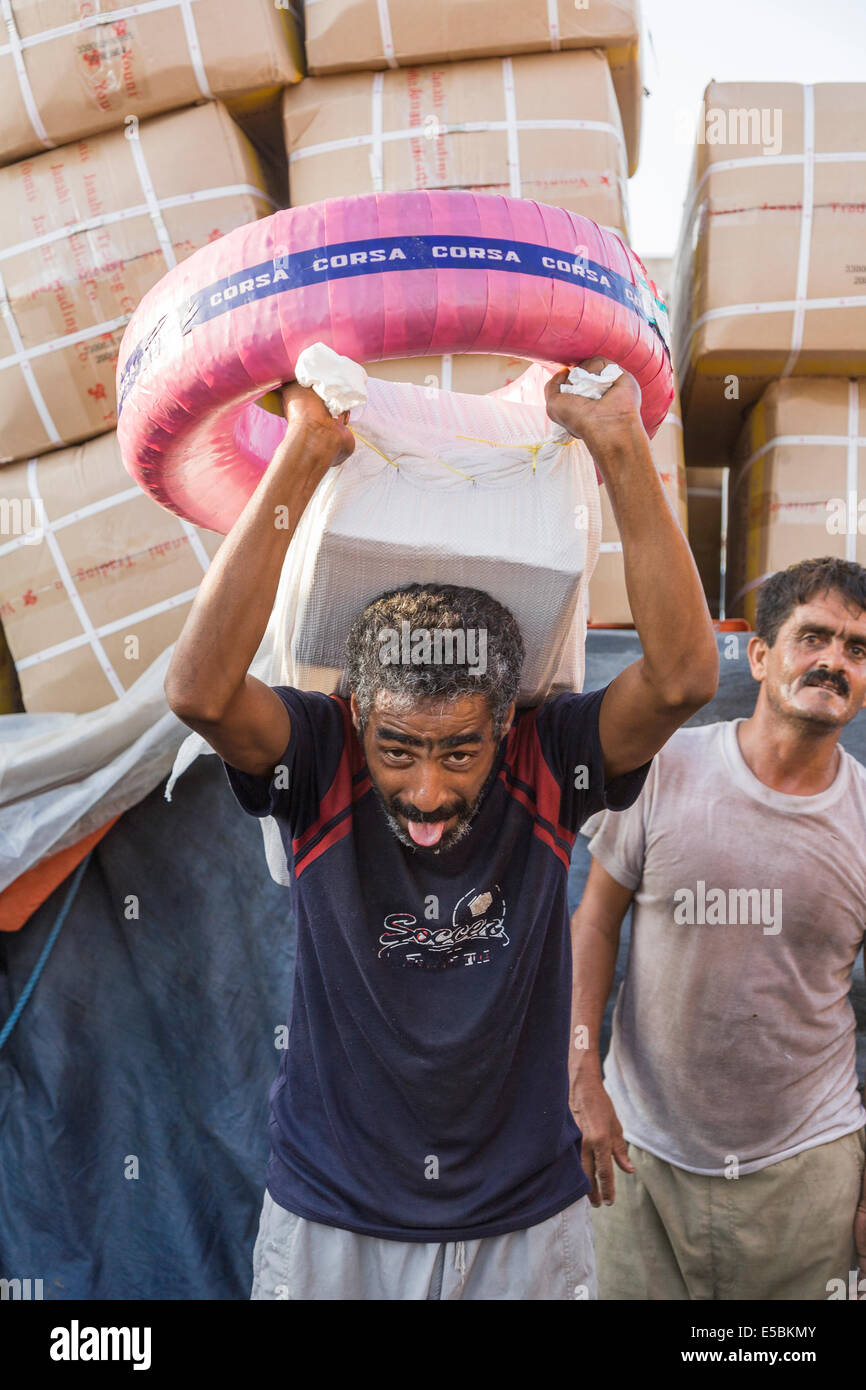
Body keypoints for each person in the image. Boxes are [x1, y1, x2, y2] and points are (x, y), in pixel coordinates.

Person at [163, 358, 718, 1300]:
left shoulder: (550, 760)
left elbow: (682, 681)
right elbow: (199, 691)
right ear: (354, 717)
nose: (425, 792)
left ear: (506, 726)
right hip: (335, 1211)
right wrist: (304, 455)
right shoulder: (319, 757)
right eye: (398, 750)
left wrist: (620, 445)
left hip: (523, 1216)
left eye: (460, 754)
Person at [570, 556, 866, 1301]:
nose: (834, 662)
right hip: (641, 1161)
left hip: (807, 1170)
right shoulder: (664, 769)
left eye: (857, 650)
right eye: (815, 638)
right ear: (760, 657)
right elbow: (596, 923)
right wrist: (581, 1074)